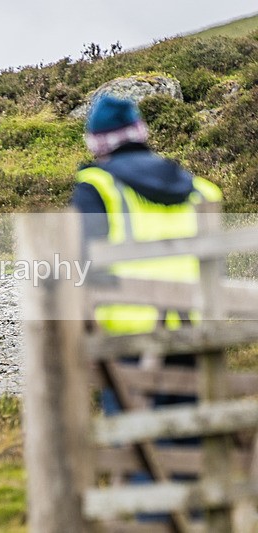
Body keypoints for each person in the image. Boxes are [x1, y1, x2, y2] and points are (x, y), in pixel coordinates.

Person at [71, 94, 222, 523]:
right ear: (142, 133)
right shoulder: (200, 190)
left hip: (130, 346)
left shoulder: (97, 187)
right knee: (191, 453)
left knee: (141, 461)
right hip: (197, 339)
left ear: (97, 142)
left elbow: (80, 266)